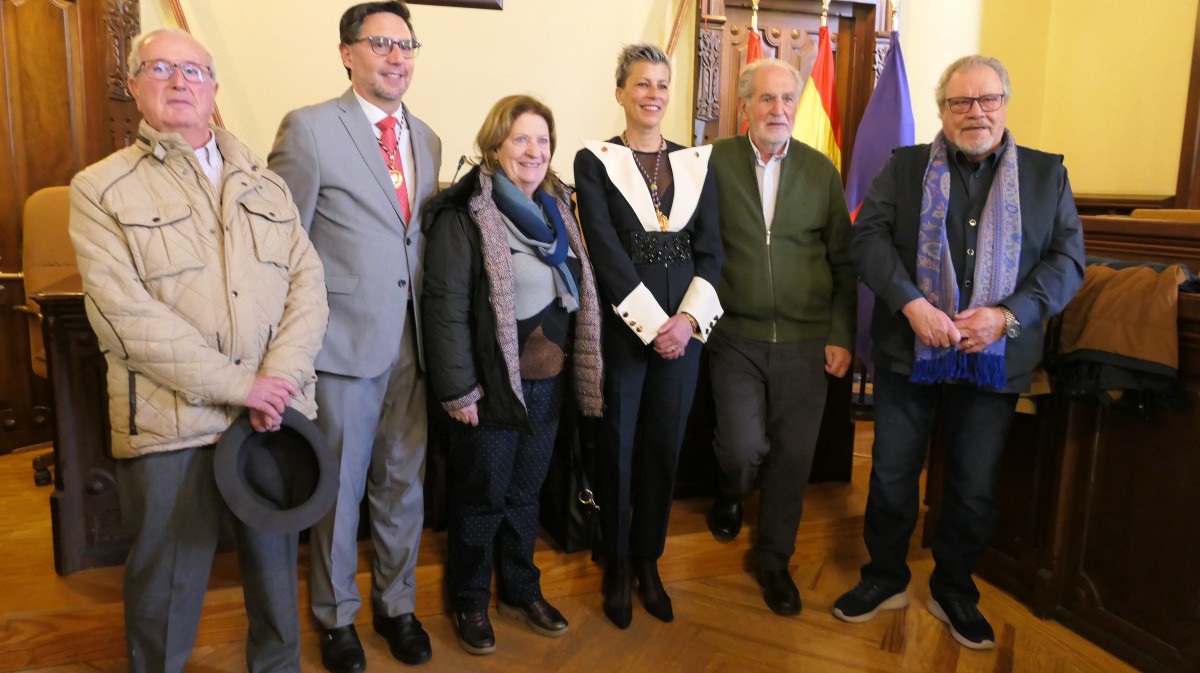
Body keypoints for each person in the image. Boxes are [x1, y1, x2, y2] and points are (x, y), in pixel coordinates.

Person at [67, 28, 328, 673]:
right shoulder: (99, 189)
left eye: (194, 71)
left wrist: (281, 382)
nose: (180, 81)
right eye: (160, 68)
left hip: (271, 417)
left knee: (274, 577)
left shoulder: (267, 186)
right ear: (134, 87)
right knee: (167, 584)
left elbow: (309, 288)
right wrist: (241, 385)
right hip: (170, 421)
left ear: (213, 90)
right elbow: (124, 318)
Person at [833, 55, 1085, 650]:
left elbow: (1067, 261)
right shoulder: (905, 167)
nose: (975, 112)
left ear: (1005, 102)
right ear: (942, 109)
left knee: (973, 485)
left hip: (996, 358)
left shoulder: (1047, 176)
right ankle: (885, 576)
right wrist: (910, 306)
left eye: (987, 100)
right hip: (908, 352)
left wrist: (1006, 317)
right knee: (892, 475)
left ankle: (954, 589)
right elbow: (865, 238)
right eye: (960, 102)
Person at [267, 2, 441, 670]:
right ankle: (336, 617)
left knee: (403, 483)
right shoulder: (309, 129)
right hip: (340, 345)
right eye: (381, 45)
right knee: (338, 491)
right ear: (347, 53)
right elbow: (282, 245)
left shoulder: (424, 137)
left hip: (414, 342)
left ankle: (397, 606)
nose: (398, 58)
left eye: (407, 45)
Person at [422, 94, 603, 655]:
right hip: (491, 388)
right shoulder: (465, 212)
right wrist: (457, 390)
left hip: (548, 383)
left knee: (527, 493)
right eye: (521, 139)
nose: (534, 151)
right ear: (495, 144)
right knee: (482, 497)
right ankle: (471, 600)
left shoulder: (557, 209)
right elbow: (445, 305)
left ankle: (521, 589)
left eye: (543, 140)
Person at [573, 43, 724, 629]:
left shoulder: (695, 163)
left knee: (664, 447)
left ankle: (648, 559)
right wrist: (651, 324)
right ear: (620, 93)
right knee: (617, 447)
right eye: (641, 84)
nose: (654, 94)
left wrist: (685, 324)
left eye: (662, 84)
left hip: (684, 335)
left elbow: (712, 251)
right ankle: (613, 561)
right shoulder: (596, 160)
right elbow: (605, 253)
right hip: (622, 330)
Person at [706, 59, 856, 617]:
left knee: (793, 459)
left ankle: (774, 558)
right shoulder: (712, 162)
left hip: (806, 340)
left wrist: (841, 333)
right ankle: (730, 493)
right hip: (735, 335)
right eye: (766, 99)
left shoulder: (821, 172)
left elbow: (843, 260)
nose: (779, 110)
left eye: (787, 99)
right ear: (744, 106)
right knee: (742, 449)